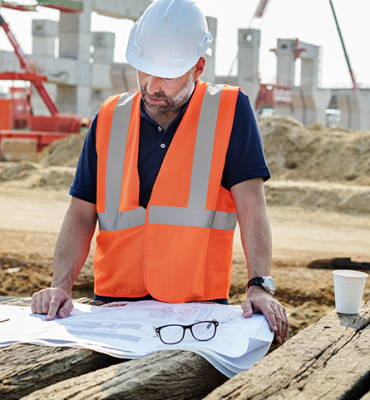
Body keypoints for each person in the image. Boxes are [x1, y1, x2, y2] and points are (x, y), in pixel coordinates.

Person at [31, 0, 289, 344]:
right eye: (144, 70)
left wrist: (260, 285)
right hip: (113, 310)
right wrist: (60, 285)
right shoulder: (108, 117)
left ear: (198, 67)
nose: (152, 86)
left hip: (197, 315)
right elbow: (80, 214)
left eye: (166, 75)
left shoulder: (230, 111)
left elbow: (252, 207)